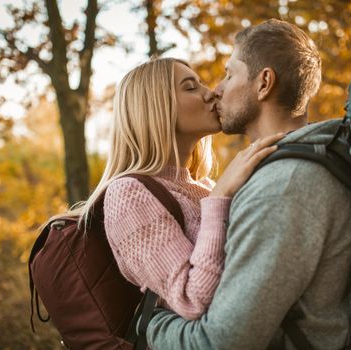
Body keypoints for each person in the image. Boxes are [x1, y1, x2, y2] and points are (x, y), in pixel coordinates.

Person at [146, 19, 351, 350]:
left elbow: (220, 343)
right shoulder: (315, 159)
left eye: (230, 74)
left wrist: (152, 323)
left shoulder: (283, 188)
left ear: (264, 84)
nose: (216, 89)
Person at [71, 57, 285, 321]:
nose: (211, 92)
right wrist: (221, 196)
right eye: (190, 87)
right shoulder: (127, 195)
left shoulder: (204, 187)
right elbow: (191, 299)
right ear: (156, 107)